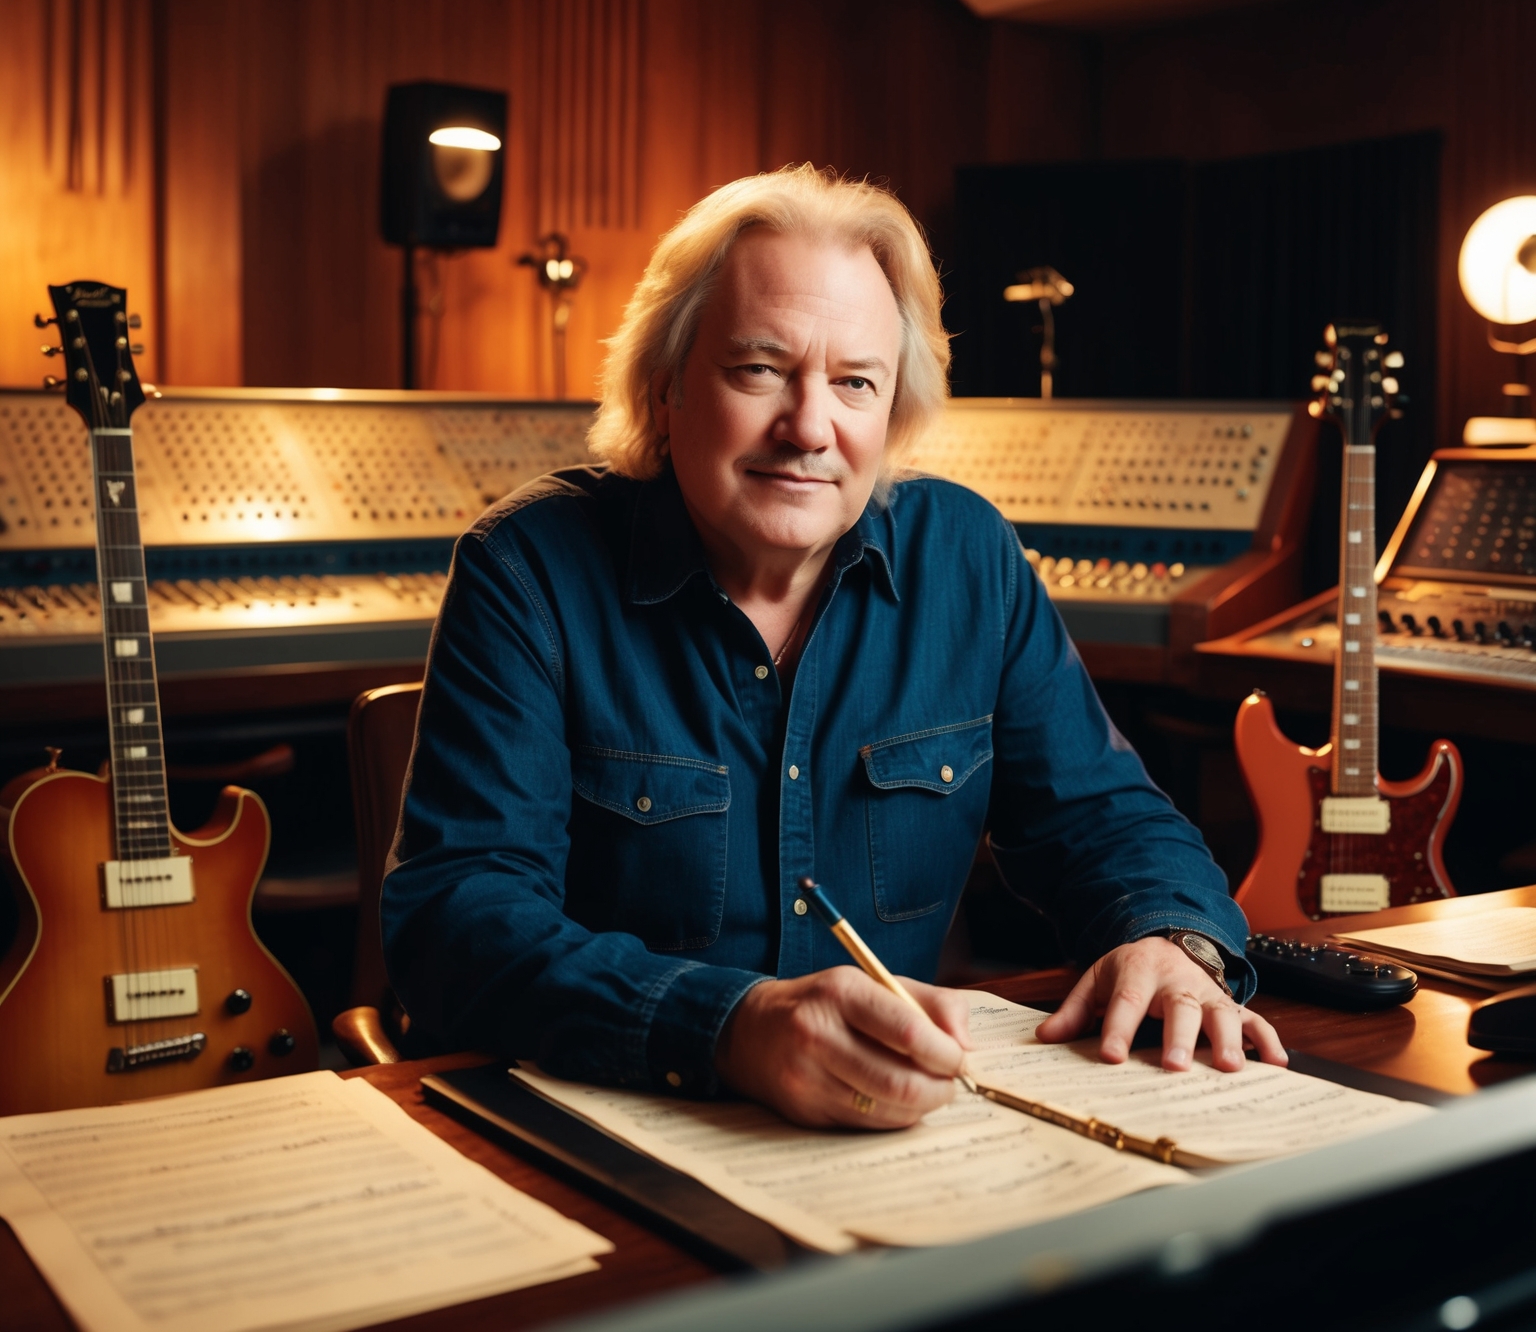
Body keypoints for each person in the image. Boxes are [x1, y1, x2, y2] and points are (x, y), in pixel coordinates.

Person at [382, 164, 1285, 1132]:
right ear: (664, 384)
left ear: (893, 410)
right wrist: (728, 1026)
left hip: (900, 1132)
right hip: (614, 1122)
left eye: (855, 383)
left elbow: (1104, 818)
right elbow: (456, 919)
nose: (809, 427)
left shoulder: (967, 555)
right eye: (759, 369)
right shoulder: (529, 567)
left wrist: (1167, 938)